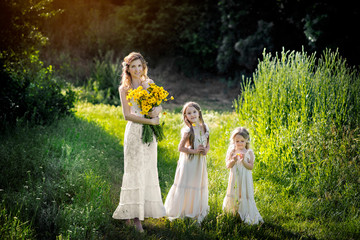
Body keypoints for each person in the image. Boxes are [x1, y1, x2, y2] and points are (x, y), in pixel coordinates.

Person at [112, 52, 165, 232]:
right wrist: (149, 121)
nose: (136, 69)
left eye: (139, 66)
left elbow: (159, 104)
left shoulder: (149, 84)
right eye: (132, 66)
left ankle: (139, 212)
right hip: (135, 132)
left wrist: (156, 112)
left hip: (149, 134)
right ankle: (135, 219)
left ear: (144, 67)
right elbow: (127, 115)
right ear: (127, 69)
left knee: (147, 170)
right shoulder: (124, 89)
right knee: (134, 171)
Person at [164, 101, 210, 223]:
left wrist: (205, 150)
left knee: (197, 184)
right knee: (187, 183)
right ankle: (183, 209)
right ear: (186, 117)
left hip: (200, 162)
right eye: (189, 113)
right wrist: (195, 151)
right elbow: (180, 148)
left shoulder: (204, 128)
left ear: (199, 113)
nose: (192, 115)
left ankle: (196, 210)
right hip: (190, 162)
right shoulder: (188, 131)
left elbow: (208, 144)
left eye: (194, 112)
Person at [222, 127, 263, 225]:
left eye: (242, 141)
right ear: (233, 141)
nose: (239, 143)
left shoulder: (249, 152)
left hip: (245, 178)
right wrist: (234, 160)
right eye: (237, 141)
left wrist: (244, 161)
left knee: (243, 193)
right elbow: (228, 165)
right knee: (235, 192)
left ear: (246, 141)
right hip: (235, 177)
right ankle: (234, 212)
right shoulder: (232, 151)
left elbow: (250, 167)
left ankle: (245, 213)